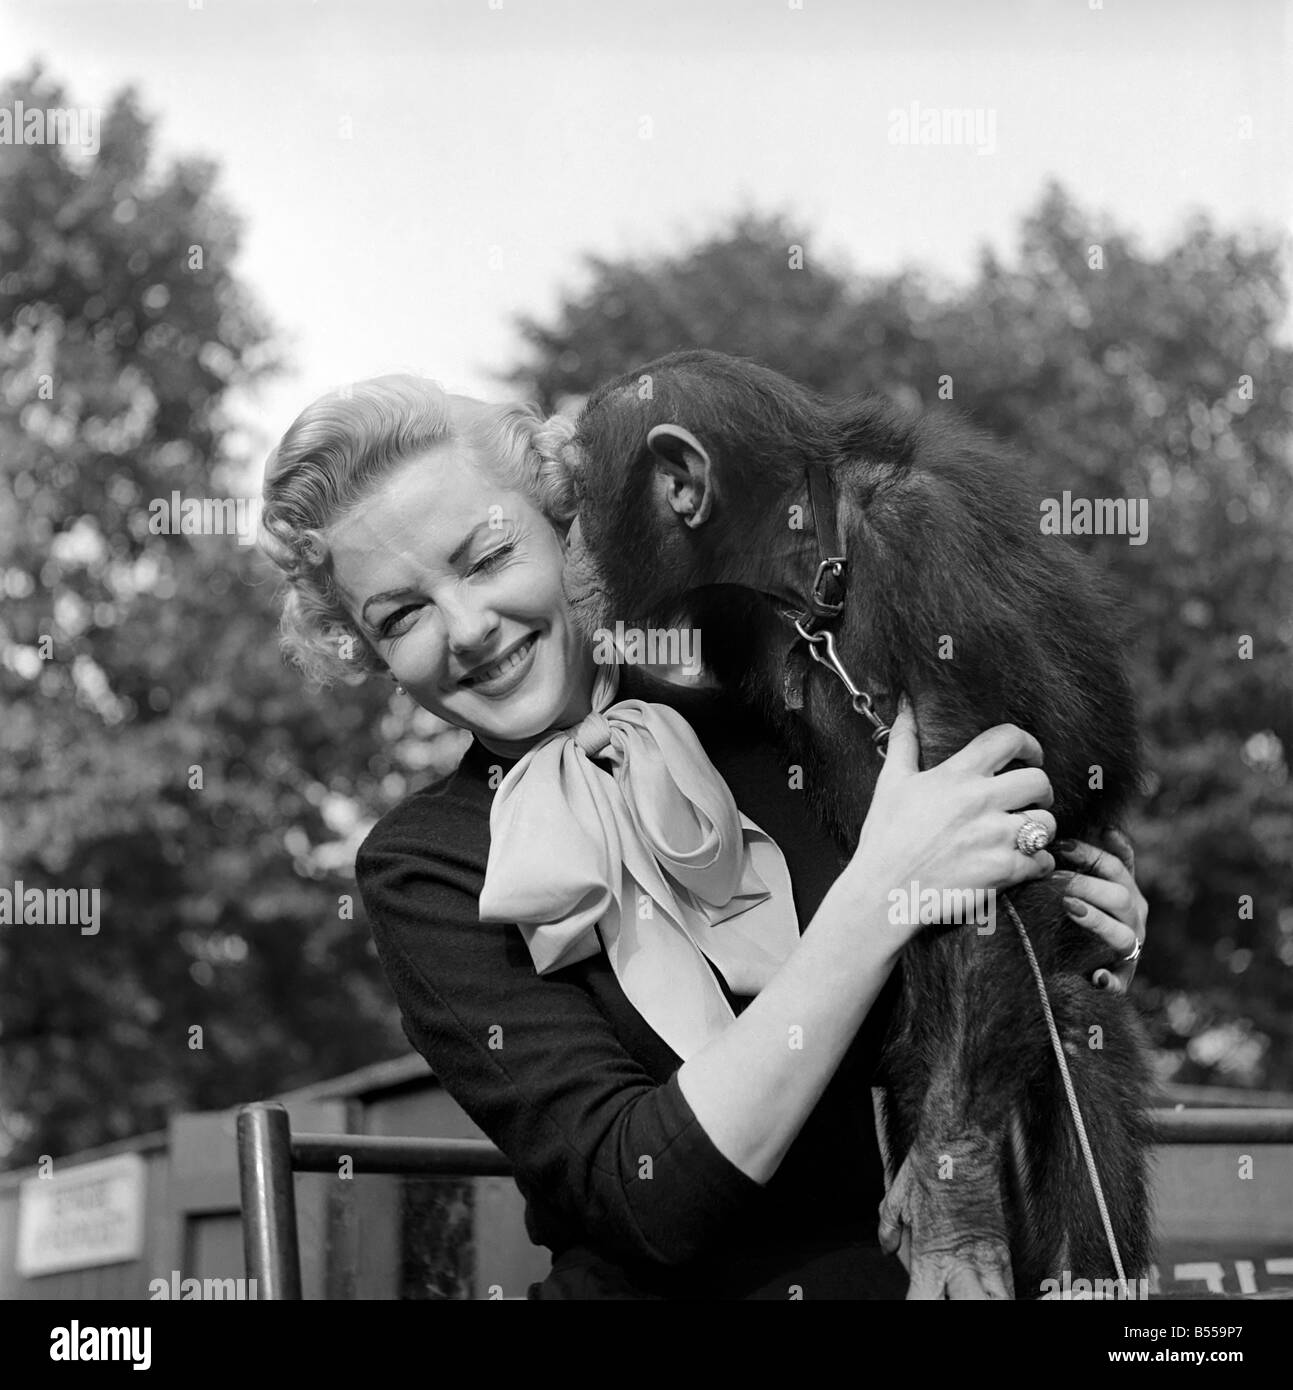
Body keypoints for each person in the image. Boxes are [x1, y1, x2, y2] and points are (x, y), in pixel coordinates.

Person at [259, 374, 1149, 1300]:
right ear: (365, 654)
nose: (468, 628)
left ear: (566, 527)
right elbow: (645, 1196)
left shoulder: (782, 705)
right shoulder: (423, 866)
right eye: (400, 616)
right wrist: (881, 892)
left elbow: (969, 973)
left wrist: (1078, 918)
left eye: (485, 558)